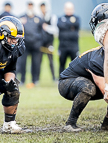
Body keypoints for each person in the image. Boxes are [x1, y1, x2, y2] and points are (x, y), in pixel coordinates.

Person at [58, 3, 108, 132]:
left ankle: (106, 125)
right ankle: (70, 123)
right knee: (88, 88)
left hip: (86, 80)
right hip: (67, 81)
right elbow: (105, 92)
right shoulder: (98, 60)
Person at [17, 2, 43, 88]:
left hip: (35, 45)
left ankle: (35, 80)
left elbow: (42, 32)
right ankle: (22, 80)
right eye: (29, 6)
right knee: (22, 63)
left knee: (36, 63)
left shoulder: (38, 19)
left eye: (31, 6)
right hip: (25, 45)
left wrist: (39, 41)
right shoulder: (22, 18)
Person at [57, 2, 80, 75]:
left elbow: (76, 25)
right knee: (61, 64)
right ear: (64, 9)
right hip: (63, 46)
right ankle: (61, 79)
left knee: (75, 65)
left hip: (74, 46)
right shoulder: (60, 18)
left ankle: (75, 79)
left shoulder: (77, 18)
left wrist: (66, 25)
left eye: (70, 9)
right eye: (67, 8)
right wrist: (71, 26)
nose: (69, 10)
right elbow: (60, 25)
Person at [39, 3, 58, 81]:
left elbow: (55, 30)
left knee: (51, 61)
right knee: (38, 61)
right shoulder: (38, 18)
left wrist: (46, 27)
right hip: (40, 43)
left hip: (49, 43)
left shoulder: (52, 17)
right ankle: (36, 79)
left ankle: (54, 78)